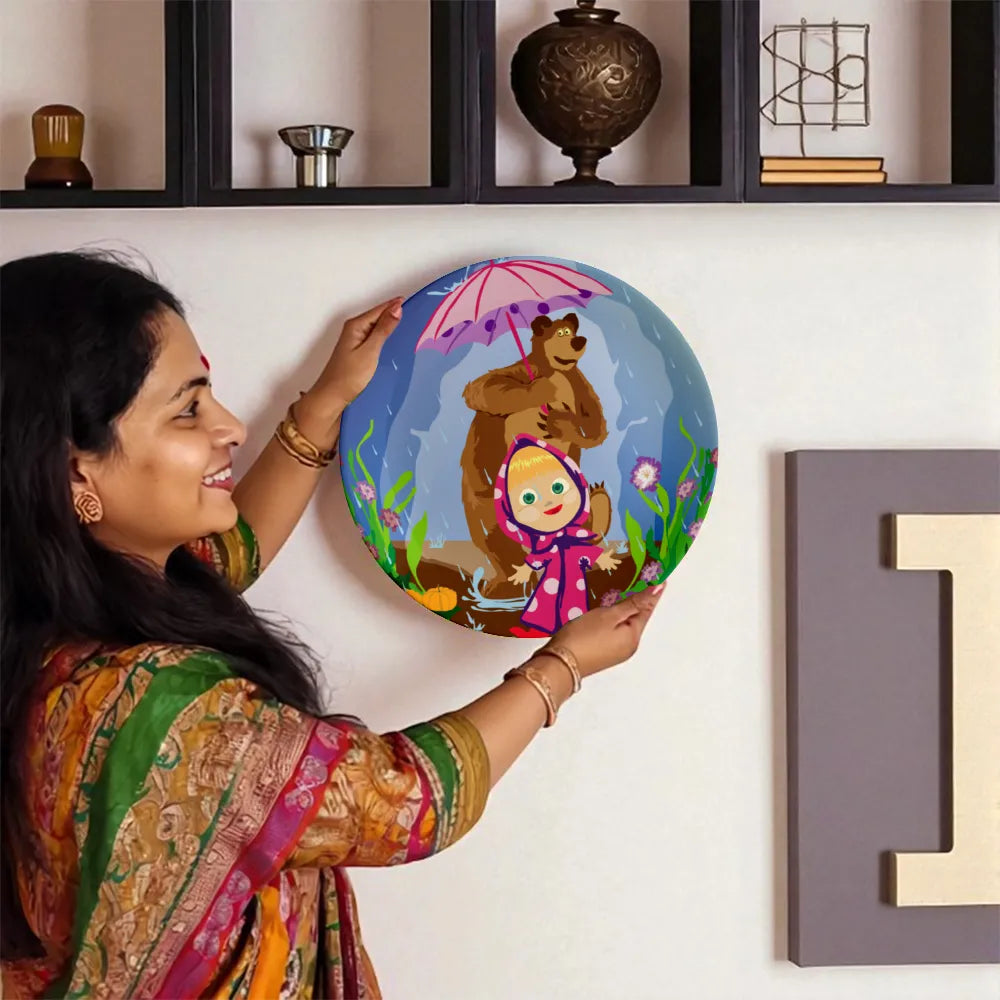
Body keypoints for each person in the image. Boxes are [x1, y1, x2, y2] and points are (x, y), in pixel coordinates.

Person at [0, 251, 663, 999]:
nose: (229, 426)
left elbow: (230, 552)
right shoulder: (169, 707)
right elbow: (408, 800)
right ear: (76, 472)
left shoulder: (55, 638)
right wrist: (563, 667)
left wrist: (325, 403)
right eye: (187, 410)